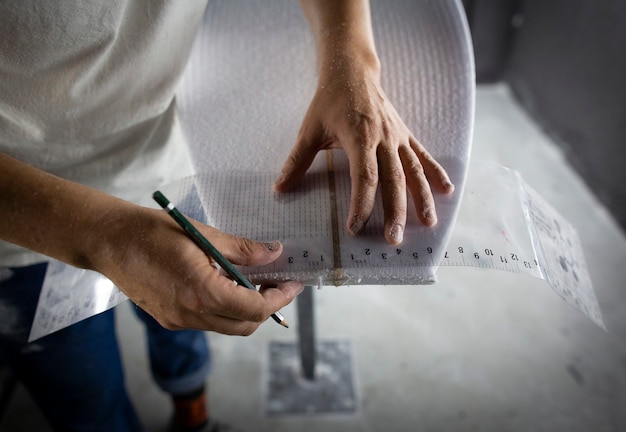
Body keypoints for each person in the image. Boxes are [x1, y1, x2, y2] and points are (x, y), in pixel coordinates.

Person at [0, 0, 453, 431]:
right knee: (88, 399)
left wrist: (353, 63)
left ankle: (193, 415)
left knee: (191, 320)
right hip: (28, 228)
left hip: (170, 167)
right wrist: (107, 234)